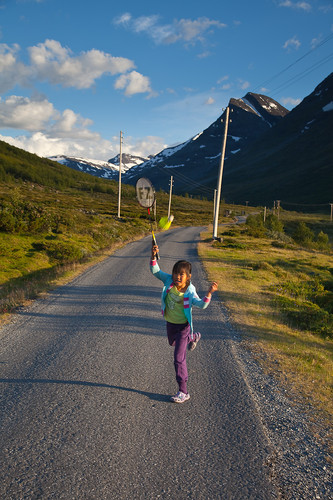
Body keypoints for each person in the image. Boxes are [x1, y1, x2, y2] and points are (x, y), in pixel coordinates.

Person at [150, 242, 218, 404]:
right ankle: (194, 337)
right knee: (172, 343)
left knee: (179, 358)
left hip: (183, 327)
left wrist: (209, 293)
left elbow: (201, 305)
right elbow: (155, 271)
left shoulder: (189, 291)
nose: (177, 276)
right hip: (170, 324)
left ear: (188, 277)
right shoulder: (168, 281)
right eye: (175, 273)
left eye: (181, 274)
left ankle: (183, 391)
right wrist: (153, 256)